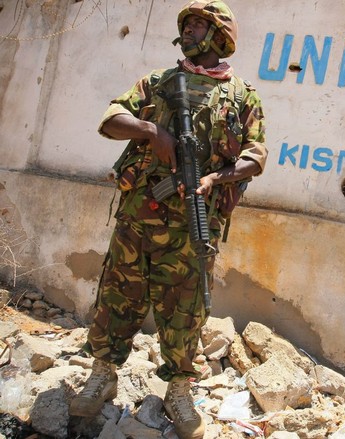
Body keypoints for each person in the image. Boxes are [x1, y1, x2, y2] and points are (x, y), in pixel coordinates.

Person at [68, 2, 267, 438]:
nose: (190, 31)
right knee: (119, 296)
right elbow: (110, 118)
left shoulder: (242, 96)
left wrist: (215, 177)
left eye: (199, 25)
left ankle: (179, 388)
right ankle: (102, 374)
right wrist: (151, 131)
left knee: (187, 309)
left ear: (219, 36)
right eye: (189, 24)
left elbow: (256, 155)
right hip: (139, 217)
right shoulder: (158, 82)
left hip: (193, 227)